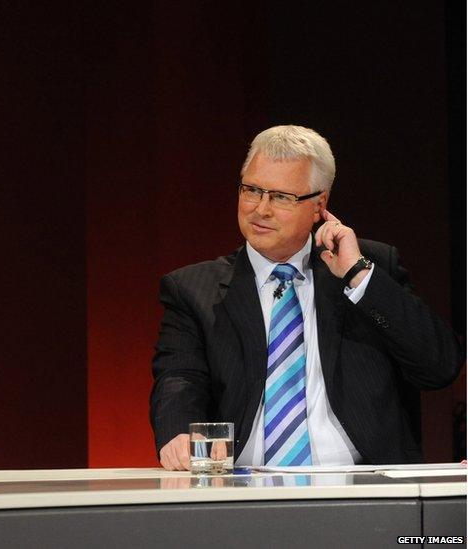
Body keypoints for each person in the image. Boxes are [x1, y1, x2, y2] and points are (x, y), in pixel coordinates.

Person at [150, 125, 463, 469]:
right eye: (252, 190)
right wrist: (178, 432)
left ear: (319, 205)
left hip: (365, 490)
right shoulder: (193, 289)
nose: (261, 209)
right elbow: (180, 378)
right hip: (243, 488)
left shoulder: (369, 267)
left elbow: (439, 367)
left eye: (282, 196)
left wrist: (359, 277)